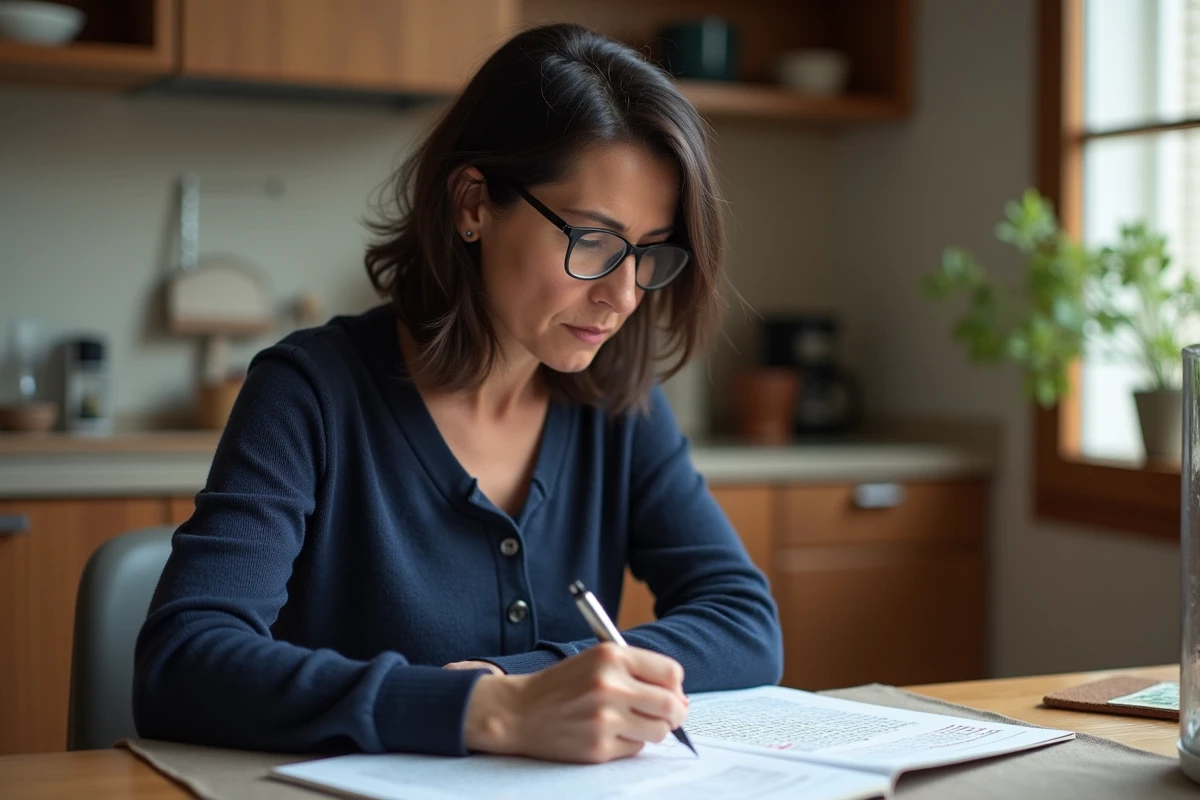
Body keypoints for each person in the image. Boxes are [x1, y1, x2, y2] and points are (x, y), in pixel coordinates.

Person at [133, 22, 782, 765]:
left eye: (647, 253)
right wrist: (485, 709)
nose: (623, 295)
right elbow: (181, 664)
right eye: (593, 243)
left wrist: (528, 678)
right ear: (473, 204)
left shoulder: (616, 402)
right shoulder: (310, 393)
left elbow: (745, 622)